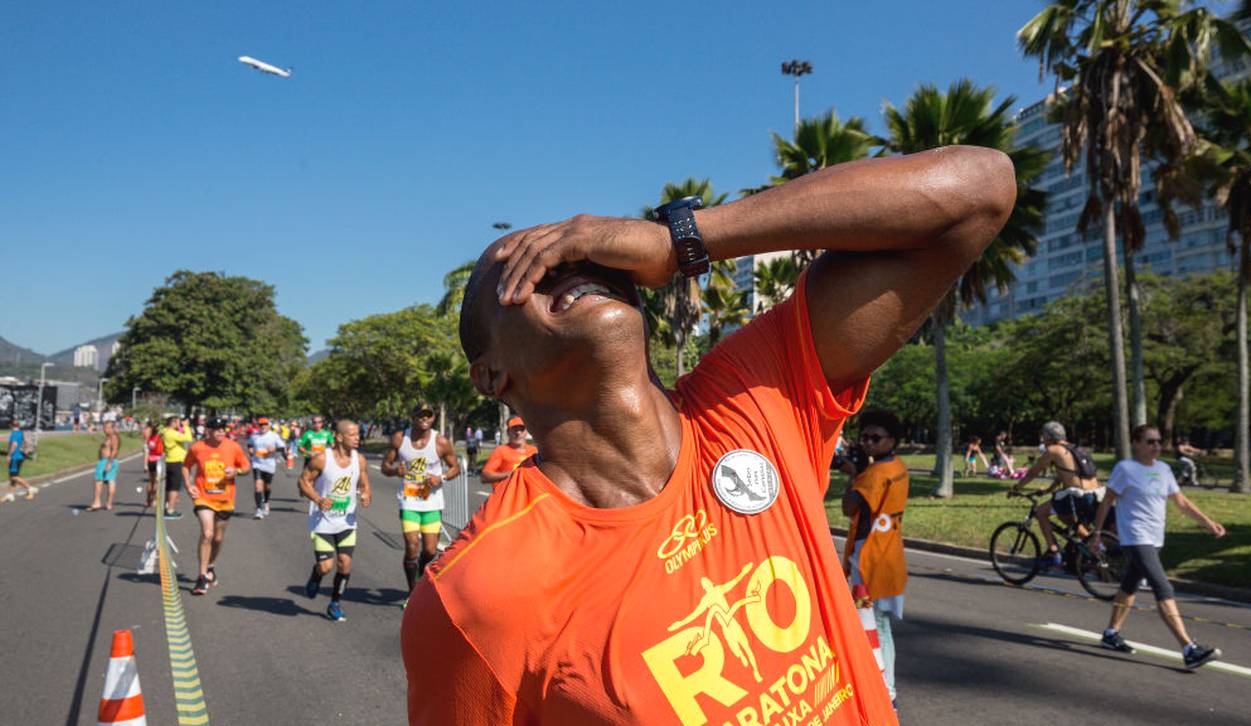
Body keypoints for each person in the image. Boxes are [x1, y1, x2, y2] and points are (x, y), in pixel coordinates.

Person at [401, 145, 1015, 723]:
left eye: (578, 253)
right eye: (526, 267)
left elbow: (981, 187)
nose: (566, 263)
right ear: (490, 375)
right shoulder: (477, 598)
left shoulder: (754, 394)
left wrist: (682, 240)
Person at [1090, 425, 1226, 670]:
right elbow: (1107, 500)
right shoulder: (1125, 469)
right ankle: (1189, 648)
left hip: (1155, 538)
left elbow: (1181, 501)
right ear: (1136, 443)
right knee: (1162, 586)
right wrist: (1097, 533)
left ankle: (1111, 633)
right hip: (1135, 537)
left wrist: (1208, 523)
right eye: (1150, 441)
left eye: (1158, 442)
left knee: (1129, 585)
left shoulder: (1164, 469)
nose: (1156, 446)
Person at [841, 410, 909, 709]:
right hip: (890, 555)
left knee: (872, 626)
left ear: (891, 439)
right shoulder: (898, 467)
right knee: (881, 626)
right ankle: (885, 686)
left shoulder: (874, 474)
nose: (868, 442)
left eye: (875, 437)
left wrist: (853, 474)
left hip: (867, 560)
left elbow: (848, 507)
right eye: (865, 437)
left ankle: (886, 691)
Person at [381, 402, 460, 606]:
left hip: (432, 502)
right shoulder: (400, 438)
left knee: (430, 551)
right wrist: (394, 471)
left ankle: (418, 575)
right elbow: (385, 466)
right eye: (420, 415)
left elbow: (455, 468)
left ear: (433, 418)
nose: (425, 419)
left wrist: (440, 477)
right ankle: (412, 592)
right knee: (412, 546)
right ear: (413, 417)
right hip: (408, 501)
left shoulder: (440, 441)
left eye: (429, 416)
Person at [298, 419, 371, 622]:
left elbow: (364, 484)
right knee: (326, 566)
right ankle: (316, 575)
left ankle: (335, 603)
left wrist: (365, 495)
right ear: (339, 437)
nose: (357, 438)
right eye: (353, 435)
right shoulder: (322, 459)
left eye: (358, 434)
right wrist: (318, 499)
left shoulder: (360, 460)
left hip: (346, 522)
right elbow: (303, 481)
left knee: (345, 563)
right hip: (322, 522)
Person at [1009, 421, 1103, 569]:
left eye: (1043, 436)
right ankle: (1096, 547)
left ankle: (1053, 553)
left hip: (1078, 495)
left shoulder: (1054, 450)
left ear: (1048, 436)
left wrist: (1016, 487)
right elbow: (1063, 474)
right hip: (1095, 494)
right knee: (1066, 518)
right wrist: (1048, 490)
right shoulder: (1075, 449)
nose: (1043, 440)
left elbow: (1034, 472)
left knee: (1041, 512)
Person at [182, 418, 250, 595]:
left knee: (218, 538)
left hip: (225, 499)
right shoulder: (197, 447)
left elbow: (246, 466)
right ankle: (202, 576)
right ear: (208, 431)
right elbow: (186, 466)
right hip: (203, 498)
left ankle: (210, 565)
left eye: (223, 429)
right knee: (207, 533)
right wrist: (189, 486)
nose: (221, 432)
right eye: (217, 429)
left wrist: (237, 471)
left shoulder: (232, 446)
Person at [478, 416, 537, 487]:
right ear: (508, 432)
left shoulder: (534, 451)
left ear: (526, 432)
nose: (518, 433)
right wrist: (510, 474)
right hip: (506, 495)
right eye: (514, 429)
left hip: (529, 496)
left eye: (521, 429)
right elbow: (485, 477)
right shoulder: (501, 450)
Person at [248, 417, 287, 519]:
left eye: (265, 424)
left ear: (268, 425)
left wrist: (275, 449)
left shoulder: (274, 436)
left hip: (269, 464)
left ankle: (266, 502)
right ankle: (258, 509)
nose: (263, 426)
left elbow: (282, 448)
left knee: (267, 486)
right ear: (258, 426)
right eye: (261, 425)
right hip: (257, 463)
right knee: (258, 486)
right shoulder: (254, 436)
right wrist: (251, 450)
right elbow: (249, 444)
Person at [88, 421, 121, 511]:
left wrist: (109, 463)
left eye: (107, 427)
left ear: (112, 428)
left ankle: (97, 502)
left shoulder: (113, 437)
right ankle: (108, 503)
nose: (105, 429)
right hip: (108, 461)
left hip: (107, 461)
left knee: (99, 481)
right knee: (110, 480)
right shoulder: (109, 436)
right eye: (104, 427)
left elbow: (114, 450)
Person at [3, 424, 35, 501]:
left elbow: (14, 444)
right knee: (13, 476)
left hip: (15, 457)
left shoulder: (14, 434)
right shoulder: (20, 433)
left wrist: (9, 455)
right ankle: (10, 494)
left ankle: (29, 488)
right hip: (21, 456)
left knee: (13, 476)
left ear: (11, 426)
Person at [143, 423, 164, 509]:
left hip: (150, 461)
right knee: (156, 482)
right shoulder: (159, 438)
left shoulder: (149, 441)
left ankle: (148, 500)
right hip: (158, 461)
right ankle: (154, 499)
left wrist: (145, 465)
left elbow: (146, 453)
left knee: (151, 481)